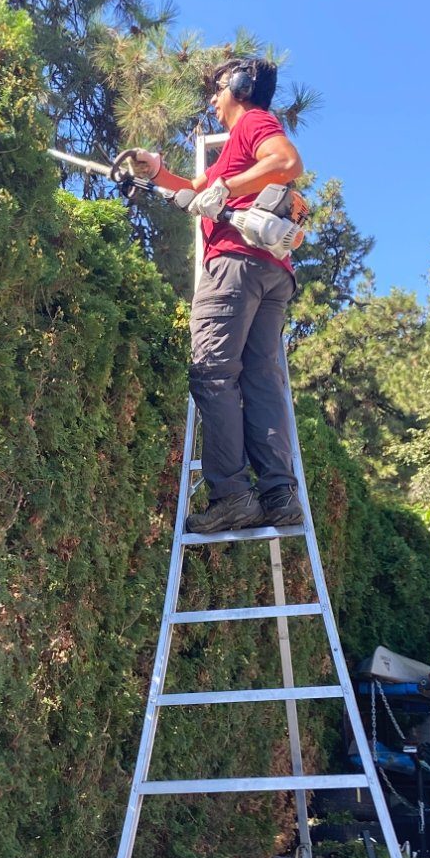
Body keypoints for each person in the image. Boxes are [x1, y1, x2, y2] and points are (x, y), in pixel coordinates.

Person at [127, 56, 305, 534]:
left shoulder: (252, 123)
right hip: (271, 273)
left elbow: (287, 163)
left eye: (219, 88)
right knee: (261, 380)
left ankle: (231, 496)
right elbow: (192, 190)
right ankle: (278, 494)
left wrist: (227, 188)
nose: (212, 98)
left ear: (241, 87)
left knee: (212, 375)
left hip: (234, 268)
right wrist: (155, 171)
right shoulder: (234, 150)